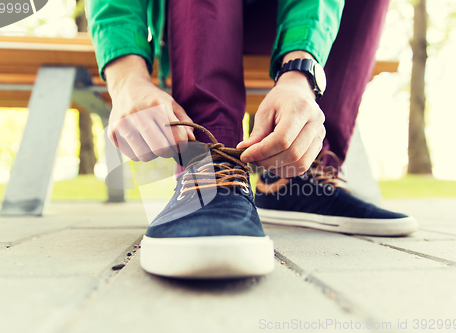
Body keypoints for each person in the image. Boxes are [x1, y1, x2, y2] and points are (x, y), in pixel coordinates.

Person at [86, 0, 418, 279]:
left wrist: (298, 76)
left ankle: (297, 174)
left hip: (278, 19)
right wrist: (127, 78)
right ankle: (210, 166)